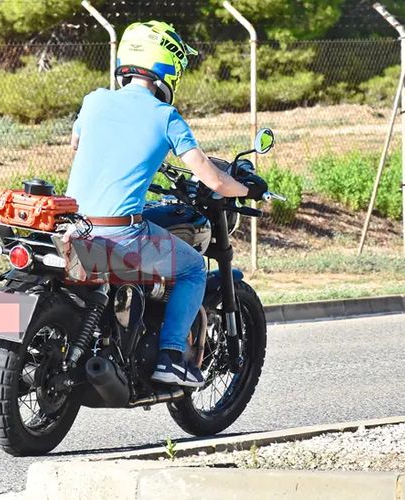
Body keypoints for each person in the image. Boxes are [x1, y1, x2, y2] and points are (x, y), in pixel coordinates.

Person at [66, 21, 267, 388]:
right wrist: (250, 190)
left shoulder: (93, 101)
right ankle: (171, 357)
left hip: (74, 225)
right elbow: (213, 178)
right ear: (168, 68)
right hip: (119, 233)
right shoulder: (165, 117)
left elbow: (78, 147)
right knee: (191, 268)